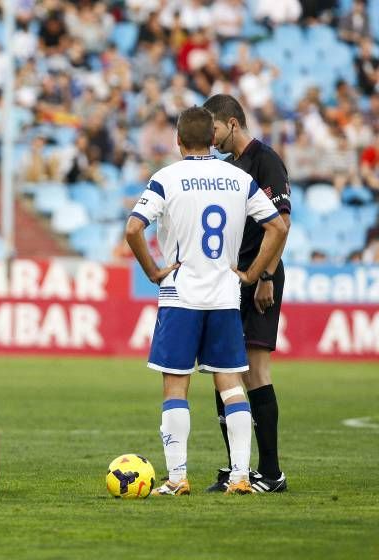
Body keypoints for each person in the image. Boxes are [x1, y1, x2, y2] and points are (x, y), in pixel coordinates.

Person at [125, 106, 288, 496]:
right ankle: (241, 476)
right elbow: (277, 226)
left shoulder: (166, 178)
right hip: (224, 296)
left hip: (180, 295)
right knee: (232, 384)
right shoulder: (238, 178)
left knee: (175, 386)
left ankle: (178, 477)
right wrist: (252, 274)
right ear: (213, 141)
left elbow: (133, 229)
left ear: (178, 142)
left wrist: (152, 271)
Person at [203, 94, 293, 493]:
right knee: (224, 374)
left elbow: (282, 222)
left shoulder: (265, 160)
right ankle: (236, 468)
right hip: (231, 281)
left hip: (259, 278)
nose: (211, 138)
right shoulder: (227, 169)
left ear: (232, 124)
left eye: (215, 130)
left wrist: (266, 276)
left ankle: (271, 474)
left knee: (255, 371)